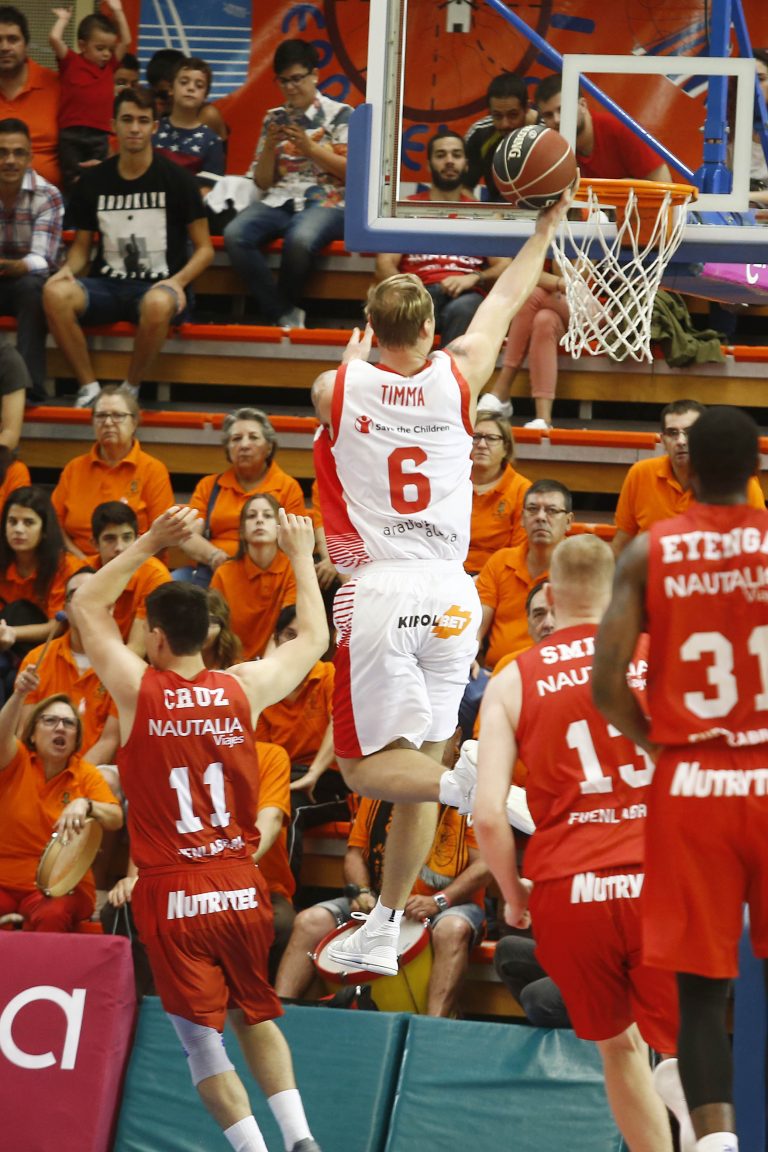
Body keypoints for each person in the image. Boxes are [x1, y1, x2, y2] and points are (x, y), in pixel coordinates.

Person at [311, 189, 572, 977]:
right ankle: (387, 926)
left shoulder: (337, 387)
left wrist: (358, 355)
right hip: (453, 590)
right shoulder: (461, 372)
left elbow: (339, 390)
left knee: (363, 770)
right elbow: (503, 299)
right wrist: (545, 230)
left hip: (383, 588)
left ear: (368, 328)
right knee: (413, 771)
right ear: (431, 330)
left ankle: (477, 789)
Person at [69, 504, 328, 1152]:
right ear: (207, 636)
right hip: (242, 888)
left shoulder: (137, 688)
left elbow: (86, 607)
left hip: (173, 890)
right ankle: (300, 1139)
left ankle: (254, 1150)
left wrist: (153, 542)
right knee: (254, 1014)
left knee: (200, 1040)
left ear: (155, 637)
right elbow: (314, 641)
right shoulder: (244, 686)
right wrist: (301, 558)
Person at [593, 406, 768, 1152]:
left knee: (701, 995)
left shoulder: (648, 552)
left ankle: (718, 1144)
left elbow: (606, 685)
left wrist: (657, 747)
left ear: (685, 470)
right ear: (758, 470)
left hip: (691, 778)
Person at [473, 535, 682, 1152]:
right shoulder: (662, 654)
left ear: (551, 595)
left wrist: (513, 897)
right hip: (663, 879)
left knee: (618, 1046)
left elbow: (488, 815)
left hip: (571, 888)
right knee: (683, 1040)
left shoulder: (514, 677)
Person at [42, 85, 213, 409]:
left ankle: (129, 389)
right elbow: (81, 248)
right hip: (106, 285)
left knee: (158, 303)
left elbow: (205, 248)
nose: (134, 128)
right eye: (127, 119)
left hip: (159, 286)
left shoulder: (178, 180)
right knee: (53, 293)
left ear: (154, 127)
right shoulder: (92, 182)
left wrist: (177, 282)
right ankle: (89, 387)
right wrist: (65, 272)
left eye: (142, 120)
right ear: (113, 125)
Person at [276, 786, 489, 1018]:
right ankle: (277, 1017)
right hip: (381, 898)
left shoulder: (469, 793)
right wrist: (363, 892)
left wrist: (439, 900)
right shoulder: (379, 790)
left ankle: (431, 1026)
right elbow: (355, 854)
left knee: (452, 929)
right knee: (310, 921)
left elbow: (485, 864)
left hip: (450, 903)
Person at [223, 39, 352, 328]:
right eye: (283, 81)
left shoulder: (341, 114)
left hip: (328, 201)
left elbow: (351, 173)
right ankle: (283, 313)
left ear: (315, 75)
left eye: (297, 79)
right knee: (235, 233)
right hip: (280, 198)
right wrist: (269, 147)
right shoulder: (274, 118)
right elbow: (262, 181)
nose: (290, 87)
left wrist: (311, 149)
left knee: (300, 239)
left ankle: (279, 314)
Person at [0, 669, 122, 931]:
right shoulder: (15, 759)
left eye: (69, 724)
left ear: (76, 738)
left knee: (53, 913)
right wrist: (20, 693)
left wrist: (86, 804)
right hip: (4, 881)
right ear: (32, 733)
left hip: (60, 886)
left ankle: (41, 974)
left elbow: (115, 818)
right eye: (50, 721)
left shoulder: (85, 774)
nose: (60, 728)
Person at [374, 132, 510, 346]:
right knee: (407, 307)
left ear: (466, 164)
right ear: (429, 165)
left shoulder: (481, 213)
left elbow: (504, 266)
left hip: (466, 293)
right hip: (420, 292)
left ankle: (445, 378)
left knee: (465, 308)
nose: (449, 161)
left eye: (456, 155)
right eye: (441, 155)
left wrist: (475, 277)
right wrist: (410, 287)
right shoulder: (407, 208)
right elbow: (384, 264)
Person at [256, 605, 347, 879]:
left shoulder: (330, 674)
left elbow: (338, 724)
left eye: (303, 636)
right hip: (281, 775)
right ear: (276, 638)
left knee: (290, 806)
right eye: (288, 634)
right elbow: (259, 751)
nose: (296, 644)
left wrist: (314, 772)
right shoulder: (264, 684)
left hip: (330, 780)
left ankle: (282, 893)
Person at [612, 399, 765, 556]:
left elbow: (760, 544)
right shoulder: (640, 473)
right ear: (663, 440)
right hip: (652, 575)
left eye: (690, 432)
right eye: (672, 433)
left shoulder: (737, 483)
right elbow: (621, 546)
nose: (681, 441)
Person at [176, 407, 306, 584]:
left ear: (269, 447)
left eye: (253, 437)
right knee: (173, 583)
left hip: (269, 575)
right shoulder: (209, 486)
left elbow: (296, 543)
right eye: (236, 439)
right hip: (213, 571)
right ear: (228, 449)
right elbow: (187, 537)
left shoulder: (288, 487)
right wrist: (215, 557)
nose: (244, 445)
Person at [51, 385, 174, 557]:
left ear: (134, 422)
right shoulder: (74, 468)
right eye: (101, 416)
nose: (108, 422)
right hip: (78, 566)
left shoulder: (153, 470)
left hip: (135, 566)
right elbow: (53, 524)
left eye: (117, 415)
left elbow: (162, 536)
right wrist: (83, 563)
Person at [17, 567, 120, 766]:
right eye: (76, 596)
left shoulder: (122, 666)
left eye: (92, 593)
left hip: (97, 773)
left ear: (110, 607)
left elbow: (110, 741)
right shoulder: (37, 658)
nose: (83, 603)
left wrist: (74, 781)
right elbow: (25, 731)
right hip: (43, 771)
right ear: (65, 607)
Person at [475, 479, 573, 672]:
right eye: (533, 509)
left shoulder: (580, 566)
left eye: (552, 511)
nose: (541, 517)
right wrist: (466, 654)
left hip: (557, 674)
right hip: (495, 675)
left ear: (569, 521)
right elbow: (476, 627)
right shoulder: (500, 561)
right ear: (521, 518)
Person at [0, 117, 63, 405]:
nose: (10, 160)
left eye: (18, 152)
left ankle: (28, 387)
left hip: (25, 279)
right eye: (2, 152)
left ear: (30, 157)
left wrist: (14, 266)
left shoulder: (47, 194)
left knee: (33, 288)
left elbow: (43, 259)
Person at [0, 486, 82, 684]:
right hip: (6, 648)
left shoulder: (66, 566)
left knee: (19, 610)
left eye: (28, 522)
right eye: (12, 522)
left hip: (51, 649)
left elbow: (58, 626)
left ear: (45, 530)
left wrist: (12, 633)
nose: (18, 529)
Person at [49, 2, 131, 197]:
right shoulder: (70, 61)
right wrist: (63, 20)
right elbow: (54, 38)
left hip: (99, 135)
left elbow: (126, 41)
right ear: (82, 45)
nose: (106, 54)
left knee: (99, 178)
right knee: (72, 180)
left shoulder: (110, 66)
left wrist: (118, 10)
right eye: (100, 48)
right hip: (71, 134)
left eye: (109, 49)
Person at [535, 73, 672, 183]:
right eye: (548, 115)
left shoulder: (620, 128)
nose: (557, 120)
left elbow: (665, 186)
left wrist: (623, 190)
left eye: (562, 110)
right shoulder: (552, 147)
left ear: (582, 105)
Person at [210, 494, 297, 660]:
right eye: (251, 516)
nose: (259, 520)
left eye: (267, 515)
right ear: (241, 531)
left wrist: (264, 670)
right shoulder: (223, 574)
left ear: (280, 527)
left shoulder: (293, 569)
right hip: (232, 666)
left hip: (277, 663)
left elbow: (287, 629)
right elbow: (217, 634)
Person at [86, 501, 171, 655]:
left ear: (137, 539)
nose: (120, 547)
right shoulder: (82, 573)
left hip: (134, 663)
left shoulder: (155, 576)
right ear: (94, 544)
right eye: (110, 539)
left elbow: (137, 649)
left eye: (127, 538)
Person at [0, 7, 61, 189]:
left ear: (26, 45)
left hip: (52, 201)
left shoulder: (56, 85)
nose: (4, 47)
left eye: (13, 39)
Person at [466, 415, 531, 575]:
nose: (481, 444)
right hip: (448, 574)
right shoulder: (450, 482)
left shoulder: (521, 489)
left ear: (506, 448)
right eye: (476, 437)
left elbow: (519, 552)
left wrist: (485, 580)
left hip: (498, 577)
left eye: (491, 438)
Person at [152, 57, 225, 190]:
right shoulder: (152, 129)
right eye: (184, 82)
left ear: (206, 95)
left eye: (199, 85)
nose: (191, 88)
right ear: (171, 89)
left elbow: (209, 190)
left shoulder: (212, 141)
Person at [464, 73, 535, 201]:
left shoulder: (547, 131)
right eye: (497, 116)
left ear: (526, 108)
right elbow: (464, 187)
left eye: (513, 115)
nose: (505, 124)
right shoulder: (479, 133)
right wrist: (484, 217)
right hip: (496, 214)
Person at [146, 47, 227, 141]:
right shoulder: (153, 111)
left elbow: (180, 148)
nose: (159, 101)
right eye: (155, 95)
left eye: (164, 94)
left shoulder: (206, 114)